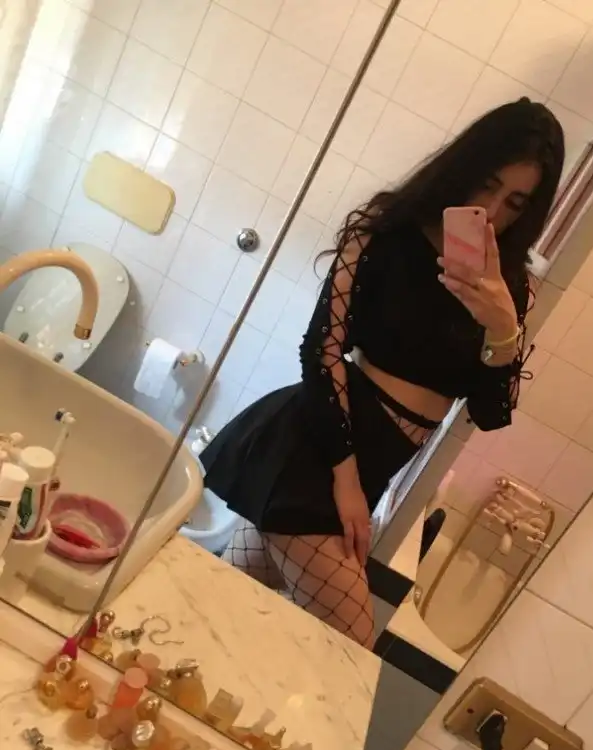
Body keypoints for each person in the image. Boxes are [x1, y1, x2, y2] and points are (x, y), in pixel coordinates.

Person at [201, 97, 565, 650]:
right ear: (466, 168)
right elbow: (321, 351)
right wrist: (346, 483)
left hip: (369, 469)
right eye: (487, 185)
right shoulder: (386, 232)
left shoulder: (507, 287)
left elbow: (490, 412)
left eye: (515, 202)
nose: (492, 212)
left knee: (218, 604)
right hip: (318, 449)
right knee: (347, 648)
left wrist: (502, 328)